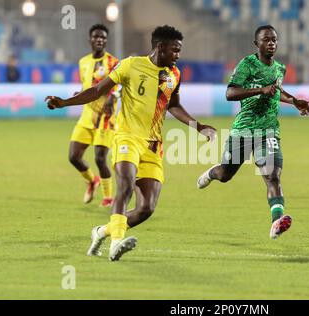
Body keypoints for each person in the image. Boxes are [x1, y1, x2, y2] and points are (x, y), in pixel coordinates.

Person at [46, 25, 216, 261]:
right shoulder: (130, 65)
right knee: (124, 186)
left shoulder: (173, 74)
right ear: (160, 47)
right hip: (126, 137)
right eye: (175, 50)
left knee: (146, 208)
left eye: (179, 51)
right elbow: (97, 90)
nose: (178, 55)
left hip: (153, 146)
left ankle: (102, 231)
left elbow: (173, 105)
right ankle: (116, 243)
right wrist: (65, 102)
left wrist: (199, 127)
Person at [197, 25, 309, 239]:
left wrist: (295, 101)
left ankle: (276, 221)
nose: (271, 43)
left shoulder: (279, 68)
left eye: (274, 39)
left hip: (268, 131)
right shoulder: (247, 64)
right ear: (256, 43)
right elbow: (230, 93)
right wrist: (260, 89)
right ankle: (213, 173)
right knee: (225, 175)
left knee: (273, 177)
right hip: (243, 131)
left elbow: (277, 91)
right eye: (266, 39)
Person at [69, 24, 119, 207]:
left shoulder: (113, 62)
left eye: (103, 37)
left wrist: (111, 97)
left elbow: (119, 87)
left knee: (99, 158)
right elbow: (86, 86)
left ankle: (108, 197)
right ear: (90, 39)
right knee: (74, 157)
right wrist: (79, 94)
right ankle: (92, 180)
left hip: (105, 119)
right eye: (97, 37)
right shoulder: (83, 62)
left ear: (106, 40)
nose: (100, 40)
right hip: (86, 116)